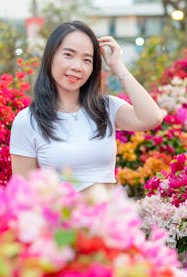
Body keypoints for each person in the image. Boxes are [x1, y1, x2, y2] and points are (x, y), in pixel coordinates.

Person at [10, 21, 164, 194]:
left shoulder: (106, 108)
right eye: (68, 55)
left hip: (109, 217)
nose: (77, 67)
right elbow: (24, 192)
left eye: (87, 60)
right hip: (62, 219)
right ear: (51, 56)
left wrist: (117, 66)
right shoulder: (28, 121)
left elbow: (152, 118)